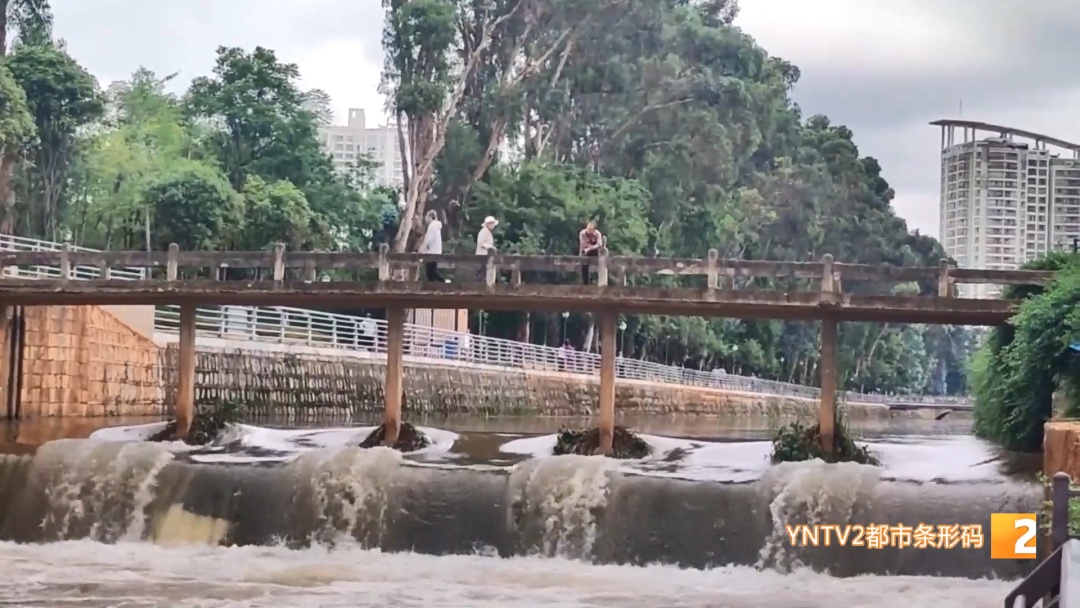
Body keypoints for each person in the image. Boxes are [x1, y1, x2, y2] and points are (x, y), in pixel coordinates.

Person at [420, 210, 450, 283]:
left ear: (430, 217)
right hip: (435, 251)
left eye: (426, 216)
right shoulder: (435, 226)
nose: (425, 218)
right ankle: (437, 285)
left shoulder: (432, 226)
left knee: (430, 271)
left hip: (431, 251)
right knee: (431, 271)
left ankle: (443, 281)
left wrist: (422, 250)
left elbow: (428, 240)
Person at [579, 220, 603, 285]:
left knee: (599, 263)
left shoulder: (597, 234)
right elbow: (583, 243)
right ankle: (585, 283)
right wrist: (589, 247)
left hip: (594, 251)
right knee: (584, 265)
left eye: (590, 229)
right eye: (588, 228)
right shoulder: (583, 233)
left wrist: (590, 248)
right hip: (584, 251)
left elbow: (599, 244)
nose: (588, 230)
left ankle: (596, 281)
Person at [475, 215, 498, 281]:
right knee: (481, 271)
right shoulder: (483, 231)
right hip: (482, 254)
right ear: (488, 224)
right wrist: (490, 247)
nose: (493, 225)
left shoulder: (488, 232)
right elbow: (481, 242)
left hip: (487, 255)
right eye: (492, 224)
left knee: (485, 271)